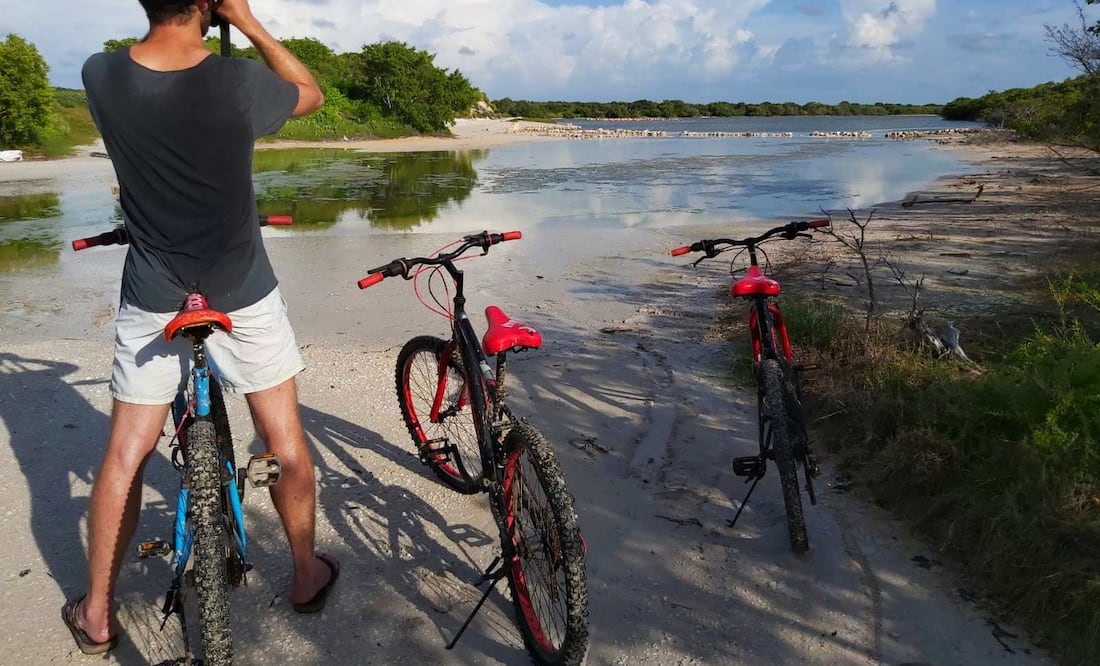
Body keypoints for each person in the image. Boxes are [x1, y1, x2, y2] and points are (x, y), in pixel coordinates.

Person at [62, 0, 335, 655]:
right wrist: (248, 22)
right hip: (242, 289)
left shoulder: (101, 74)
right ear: (211, 5)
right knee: (283, 439)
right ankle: (305, 573)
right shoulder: (240, 81)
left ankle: (96, 613)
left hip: (154, 292)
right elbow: (311, 95)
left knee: (126, 455)